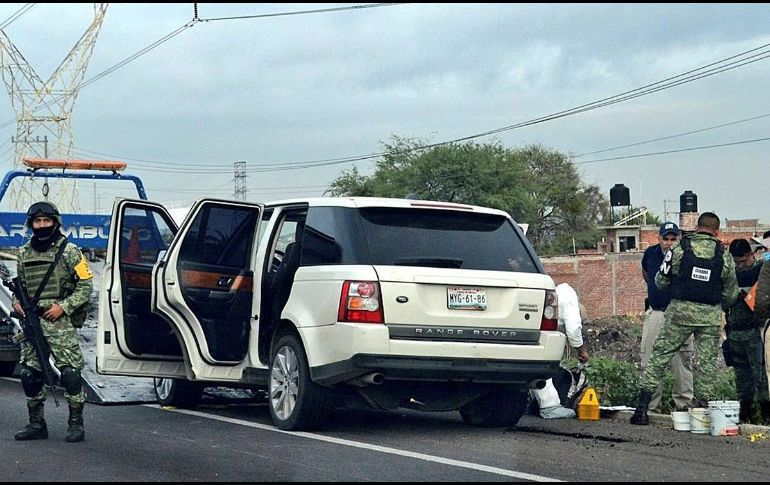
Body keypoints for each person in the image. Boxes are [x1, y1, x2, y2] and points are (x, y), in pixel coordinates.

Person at [631, 212, 738, 425]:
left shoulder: (680, 249)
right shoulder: (723, 254)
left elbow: (660, 280)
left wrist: (677, 293)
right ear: (717, 232)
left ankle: (642, 410)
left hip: (679, 314)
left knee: (659, 357)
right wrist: (716, 306)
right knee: (707, 364)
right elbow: (731, 292)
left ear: (697, 228)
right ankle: (701, 413)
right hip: (709, 317)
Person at [12, 201, 93, 442]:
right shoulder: (24, 253)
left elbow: (86, 286)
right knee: (29, 374)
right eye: (37, 222)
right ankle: (37, 424)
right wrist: (17, 303)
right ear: (31, 224)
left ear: (55, 222)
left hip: (59, 321)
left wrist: (63, 307)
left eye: (46, 221)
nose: (42, 225)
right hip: (34, 320)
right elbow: (21, 288)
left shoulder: (70, 251)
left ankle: (76, 424)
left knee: (70, 374)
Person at [639, 222, 693, 412]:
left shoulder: (687, 256)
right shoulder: (650, 254)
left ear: (678, 239)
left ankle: (683, 406)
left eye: (673, 239)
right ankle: (651, 406)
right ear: (659, 238)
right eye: (666, 239)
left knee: (681, 361)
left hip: (679, 315)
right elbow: (646, 275)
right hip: (657, 312)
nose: (669, 243)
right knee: (649, 358)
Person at [725, 238, 770, 423]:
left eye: (744, 261)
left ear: (752, 254)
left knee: (761, 377)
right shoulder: (731, 274)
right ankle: (746, 414)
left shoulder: (761, 271)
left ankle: (765, 415)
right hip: (735, 331)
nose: (741, 266)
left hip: (754, 331)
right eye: (737, 262)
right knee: (741, 377)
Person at [530, 282, 589, 419]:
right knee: (543, 365)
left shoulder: (558, 292)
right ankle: (549, 406)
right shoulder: (569, 296)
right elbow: (574, 330)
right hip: (540, 335)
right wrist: (581, 351)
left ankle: (532, 404)